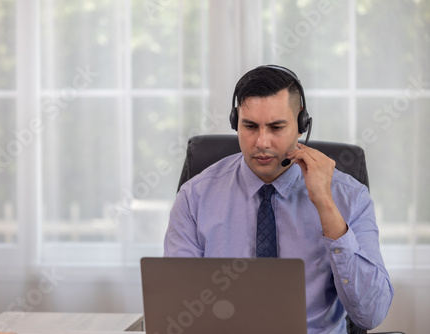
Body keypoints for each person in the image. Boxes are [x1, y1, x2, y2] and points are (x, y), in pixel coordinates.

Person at [163, 65, 394, 333]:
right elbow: (177, 311)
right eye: (250, 126)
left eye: (276, 127)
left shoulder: (350, 196)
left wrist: (325, 204)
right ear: (234, 123)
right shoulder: (195, 197)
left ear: (301, 125)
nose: (262, 142)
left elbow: (371, 314)